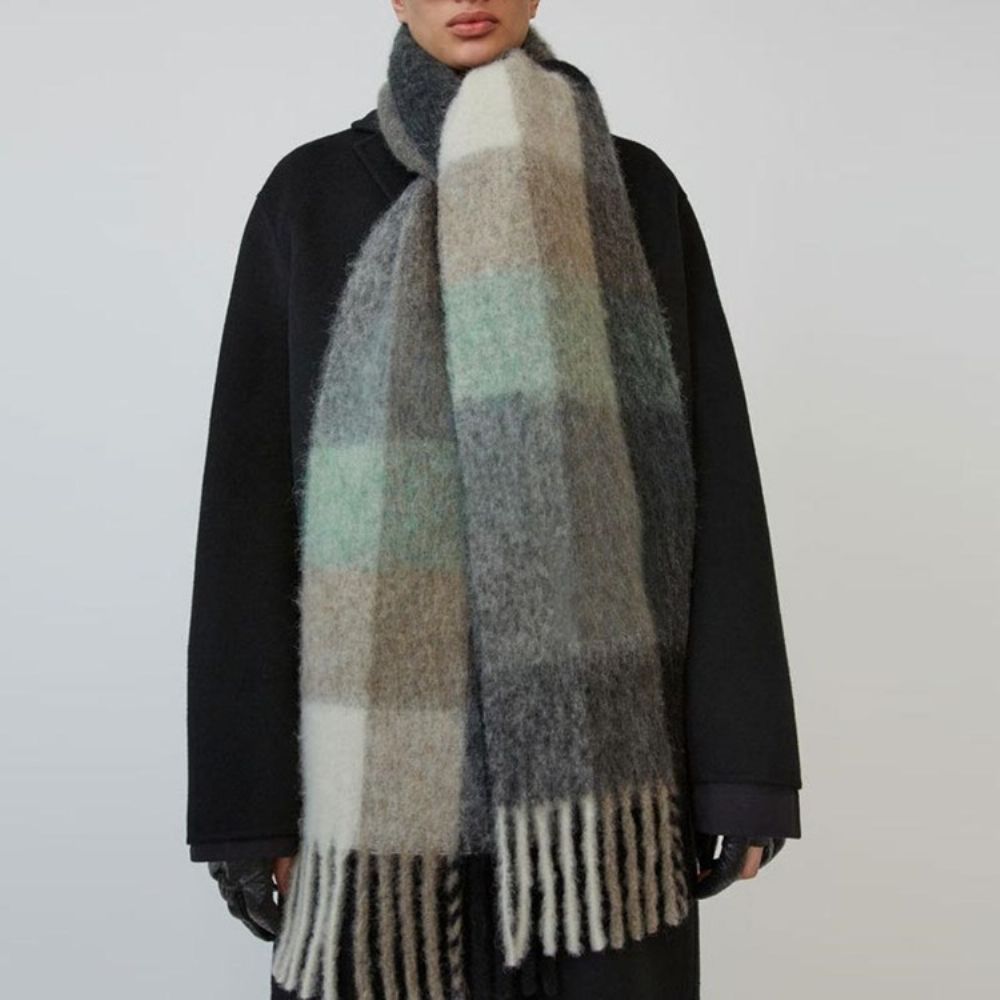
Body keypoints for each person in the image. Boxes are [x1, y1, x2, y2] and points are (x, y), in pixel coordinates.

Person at [186, 3, 803, 999]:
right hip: (375, 815)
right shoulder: (310, 196)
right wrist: (245, 806)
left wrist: (741, 764)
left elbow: (715, 477)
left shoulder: (633, 193)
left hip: (606, 817)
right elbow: (247, 514)